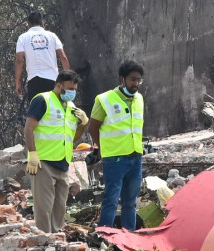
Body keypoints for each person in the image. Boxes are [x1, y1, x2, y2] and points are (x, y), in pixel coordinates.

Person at [24, 69, 88, 233]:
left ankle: (56, 240)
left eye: (75, 89)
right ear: (59, 86)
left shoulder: (71, 107)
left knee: (59, 209)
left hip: (63, 163)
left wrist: (82, 125)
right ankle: (44, 241)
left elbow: (71, 138)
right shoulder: (43, 100)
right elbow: (29, 128)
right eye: (70, 88)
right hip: (43, 162)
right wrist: (32, 154)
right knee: (44, 208)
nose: (72, 92)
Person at [88, 60, 145, 231]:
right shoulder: (105, 99)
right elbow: (93, 127)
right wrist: (101, 148)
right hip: (114, 159)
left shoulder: (139, 98)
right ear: (122, 79)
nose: (136, 84)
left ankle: (129, 236)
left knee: (130, 202)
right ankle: (105, 235)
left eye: (139, 80)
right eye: (132, 79)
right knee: (111, 200)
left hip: (135, 157)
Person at [15, 12, 71, 104]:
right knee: (55, 109)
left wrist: (17, 82)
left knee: (37, 111)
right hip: (52, 80)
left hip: (34, 81)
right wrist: (68, 80)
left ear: (29, 25)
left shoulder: (23, 38)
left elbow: (19, 61)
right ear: (42, 24)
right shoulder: (52, 36)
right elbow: (63, 57)